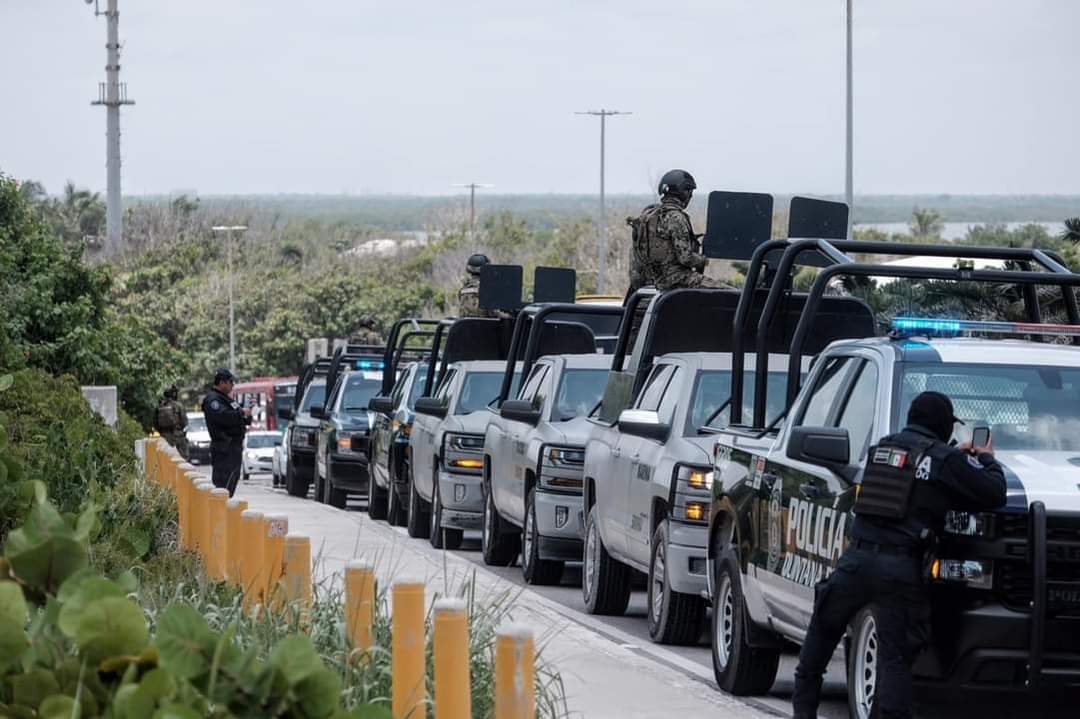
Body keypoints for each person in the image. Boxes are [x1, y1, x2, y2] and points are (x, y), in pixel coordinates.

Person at [791, 391, 1007, 719]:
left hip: (855, 563)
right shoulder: (944, 459)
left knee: (819, 641)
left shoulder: (881, 449)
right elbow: (994, 492)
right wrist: (986, 457)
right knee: (895, 660)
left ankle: (802, 713)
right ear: (945, 426)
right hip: (899, 570)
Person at [626, 169, 728, 294]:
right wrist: (703, 260)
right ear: (683, 192)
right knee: (730, 294)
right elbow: (685, 258)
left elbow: (637, 264)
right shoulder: (675, 217)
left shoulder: (646, 218)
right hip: (678, 280)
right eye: (689, 191)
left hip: (657, 283)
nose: (690, 196)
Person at [201, 368, 252, 497]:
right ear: (222, 382)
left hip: (233, 448)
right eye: (230, 382)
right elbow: (223, 417)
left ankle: (225, 512)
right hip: (224, 449)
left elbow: (240, 418)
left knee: (232, 481)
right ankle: (220, 514)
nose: (232, 385)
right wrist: (241, 413)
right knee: (223, 486)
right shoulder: (213, 400)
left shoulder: (226, 399)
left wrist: (247, 413)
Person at [153, 385, 189, 458]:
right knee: (182, 459)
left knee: (166, 458)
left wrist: (162, 431)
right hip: (178, 437)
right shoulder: (178, 405)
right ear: (174, 394)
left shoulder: (159, 406)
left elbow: (155, 423)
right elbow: (184, 422)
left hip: (164, 437)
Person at [458, 253, 496, 318]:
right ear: (486, 269)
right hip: (484, 326)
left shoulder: (462, 290)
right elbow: (494, 313)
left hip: (464, 326)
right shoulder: (488, 289)